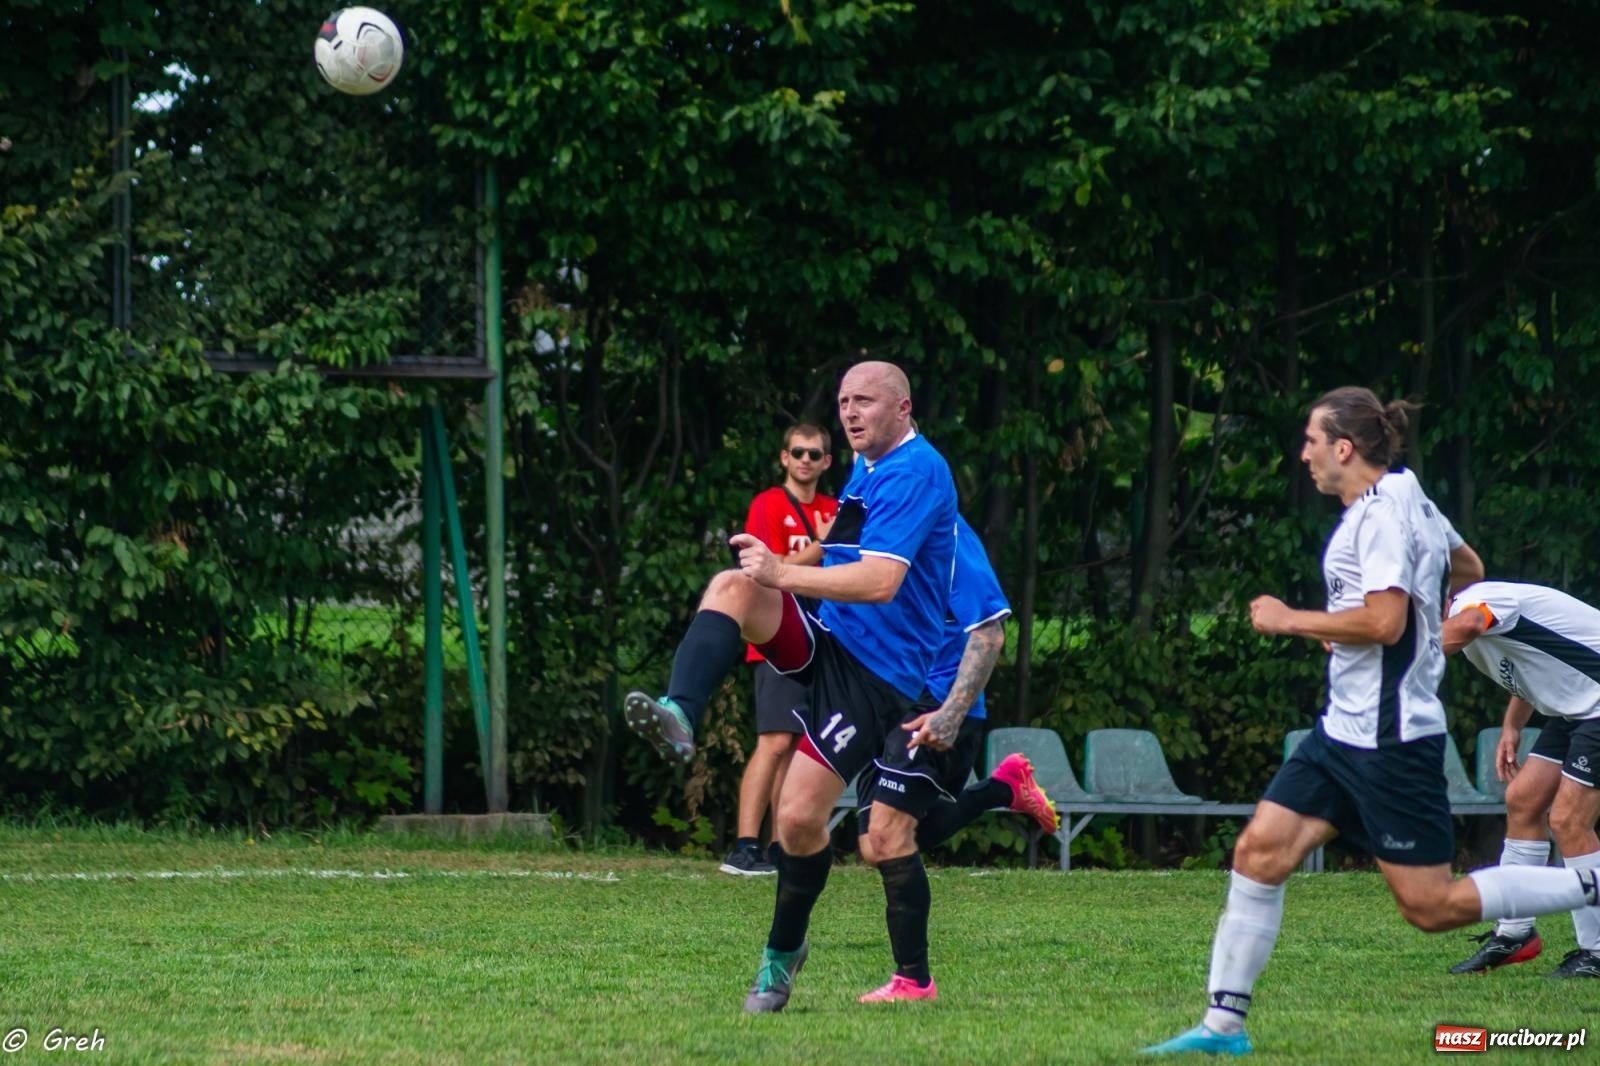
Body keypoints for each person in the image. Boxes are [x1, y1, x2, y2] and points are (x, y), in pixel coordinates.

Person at [1144, 387, 1600, 1057]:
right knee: (1259, 853)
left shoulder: (1380, 519)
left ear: (1344, 448)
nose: (1303, 454)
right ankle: (1222, 1029)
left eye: (1310, 441)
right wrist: (1416, 611)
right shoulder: (1410, 493)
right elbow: (1465, 567)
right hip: (1341, 732)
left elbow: (1385, 623)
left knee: (1430, 906)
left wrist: (1291, 620)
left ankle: (1591, 880)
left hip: (1390, 740)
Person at [622, 360, 959, 1014]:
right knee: (731, 587)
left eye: (866, 401)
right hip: (832, 637)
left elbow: (881, 581)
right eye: (843, 402)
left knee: (801, 820)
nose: (851, 413)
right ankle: (679, 713)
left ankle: (784, 952)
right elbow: (842, 554)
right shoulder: (868, 464)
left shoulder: (918, 471)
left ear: (904, 408)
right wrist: (777, 574)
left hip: (879, 674)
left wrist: (781, 571)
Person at [850, 513, 1060, 1002]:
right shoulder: (873, 524)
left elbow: (990, 632)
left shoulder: (951, 539)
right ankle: (1003, 788)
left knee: (889, 834)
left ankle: (913, 980)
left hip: (937, 706)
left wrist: (951, 712)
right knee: (874, 846)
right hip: (884, 702)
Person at [1439, 580, 1600, 979]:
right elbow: (1531, 664)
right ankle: (1515, 933)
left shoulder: (1478, 603)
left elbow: (1472, 623)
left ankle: (1597, 952)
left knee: (1569, 820)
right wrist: (1511, 725)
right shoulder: (1468, 621)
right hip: (1579, 710)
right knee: (1523, 800)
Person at [722, 424, 838, 877]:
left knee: (797, 747)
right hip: (780, 635)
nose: (806, 460)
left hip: (826, 637)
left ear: (827, 462)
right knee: (772, 742)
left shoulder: (835, 508)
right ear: (784, 458)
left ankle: (777, 847)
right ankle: (743, 846)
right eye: (798, 452)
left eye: (815, 453)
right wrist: (820, 546)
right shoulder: (768, 505)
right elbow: (764, 569)